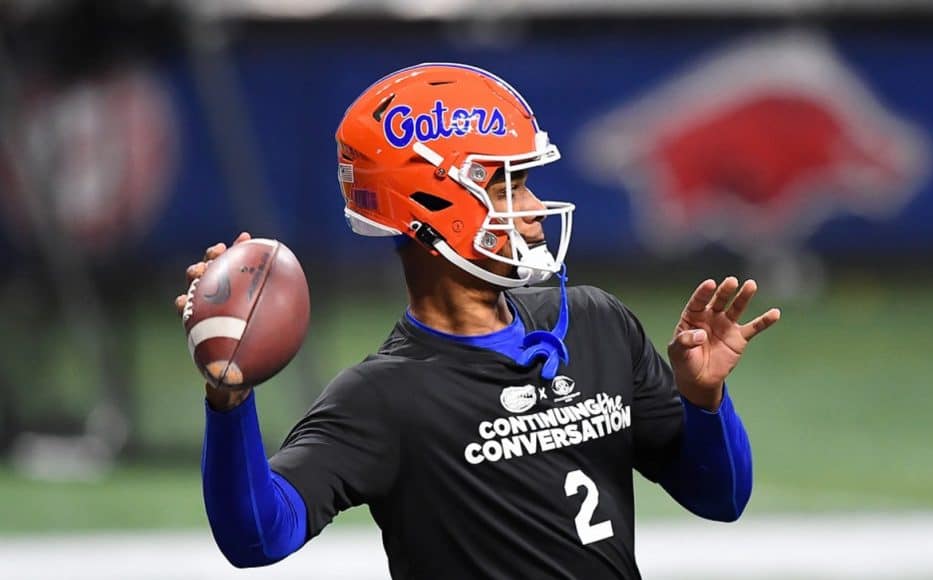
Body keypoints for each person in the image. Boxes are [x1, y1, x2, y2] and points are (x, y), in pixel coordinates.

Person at [175, 62, 781, 579]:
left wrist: (704, 401)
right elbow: (256, 538)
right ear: (434, 208)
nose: (537, 208)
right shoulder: (381, 399)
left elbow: (721, 496)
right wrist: (229, 399)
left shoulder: (596, 324)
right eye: (508, 185)